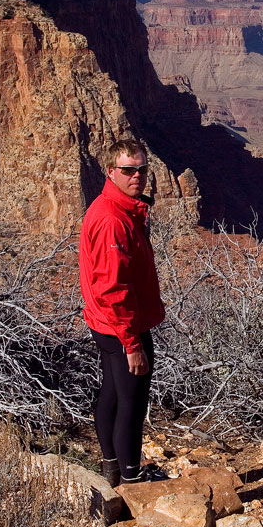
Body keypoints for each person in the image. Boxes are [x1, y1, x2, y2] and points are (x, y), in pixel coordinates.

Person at [79, 139, 165, 487]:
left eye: (142, 169)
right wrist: (132, 344)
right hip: (120, 325)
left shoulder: (115, 208)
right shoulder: (113, 219)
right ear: (111, 171)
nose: (137, 176)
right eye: (128, 170)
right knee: (132, 401)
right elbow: (114, 289)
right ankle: (131, 481)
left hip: (106, 322)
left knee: (113, 394)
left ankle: (112, 471)